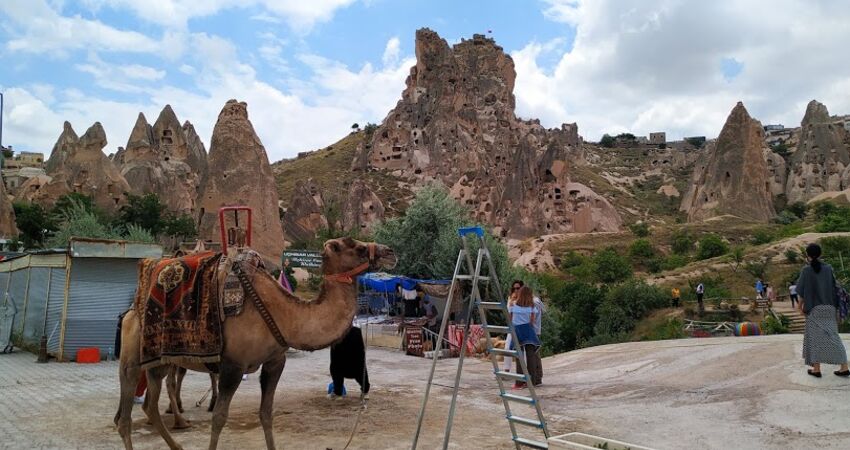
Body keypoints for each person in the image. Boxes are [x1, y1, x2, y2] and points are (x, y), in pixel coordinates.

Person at [796, 243, 849, 378]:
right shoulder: (828, 268)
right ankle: (844, 367)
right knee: (834, 337)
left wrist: (799, 306)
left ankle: (817, 369)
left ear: (807, 255)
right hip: (829, 307)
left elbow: (801, 291)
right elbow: (834, 287)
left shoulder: (806, 270)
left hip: (814, 309)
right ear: (820, 254)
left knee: (814, 339)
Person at [509, 286, 542, 388]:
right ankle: (531, 381)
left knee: (519, 357)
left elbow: (510, 319)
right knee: (530, 356)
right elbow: (532, 322)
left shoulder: (513, 305)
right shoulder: (532, 307)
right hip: (528, 332)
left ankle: (519, 382)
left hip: (517, 332)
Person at [503, 280, 523, 373]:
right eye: (514, 288)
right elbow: (508, 311)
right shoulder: (510, 298)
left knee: (522, 349)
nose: (515, 290)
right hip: (512, 325)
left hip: (521, 325)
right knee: (507, 347)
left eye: (518, 288)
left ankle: (524, 370)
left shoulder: (524, 298)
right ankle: (507, 369)